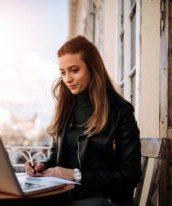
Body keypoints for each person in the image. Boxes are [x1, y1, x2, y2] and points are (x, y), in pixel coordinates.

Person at [25, 36, 142, 206]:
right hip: (67, 196)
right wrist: (42, 165)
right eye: (63, 72)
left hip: (105, 200)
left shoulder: (120, 111)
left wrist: (75, 175)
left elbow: (130, 176)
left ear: (92, 68)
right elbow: (56, 156)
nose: (67, 79)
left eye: (74, 70)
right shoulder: (65, 108)